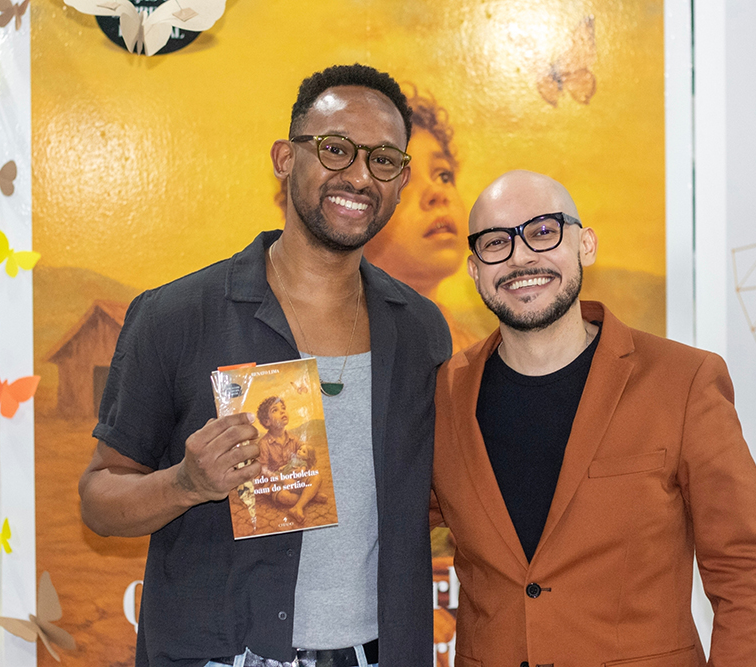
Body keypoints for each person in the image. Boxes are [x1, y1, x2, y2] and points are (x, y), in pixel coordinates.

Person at [79, 64, 452, 667]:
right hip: (224, 655)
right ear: (285, 158)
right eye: (336, 149)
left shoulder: (419, 331)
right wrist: (186, 484)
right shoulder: (176, 316)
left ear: (400, 180)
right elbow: (99, 498)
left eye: (383, 160)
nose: (360, 176)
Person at [429, 170, 756, 667]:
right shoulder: (443, 395)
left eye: (543, 231)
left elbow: (745, 565)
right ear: (474, 268)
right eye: (495, 242)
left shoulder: (683, 381)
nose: (520, 256)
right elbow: (389, 527)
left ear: (585, 244)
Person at [362, 90, 481, 352]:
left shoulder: (475, 353)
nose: (437, 193)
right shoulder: (330, 342)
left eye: (443, 175)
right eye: (402, 181)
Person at [254, 396, 323, 524]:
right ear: (267, 422)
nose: (282, 411)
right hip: (277, 481)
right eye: (275, 410)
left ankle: (298, 507)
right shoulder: (264, 444)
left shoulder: (294, 439)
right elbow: (263, 469)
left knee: (316, 477)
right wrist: (283, 479)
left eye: (283, 408)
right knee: (285, 497)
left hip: (295, 478)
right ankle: (309, 495)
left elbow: (305, 456)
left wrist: (301, 471)